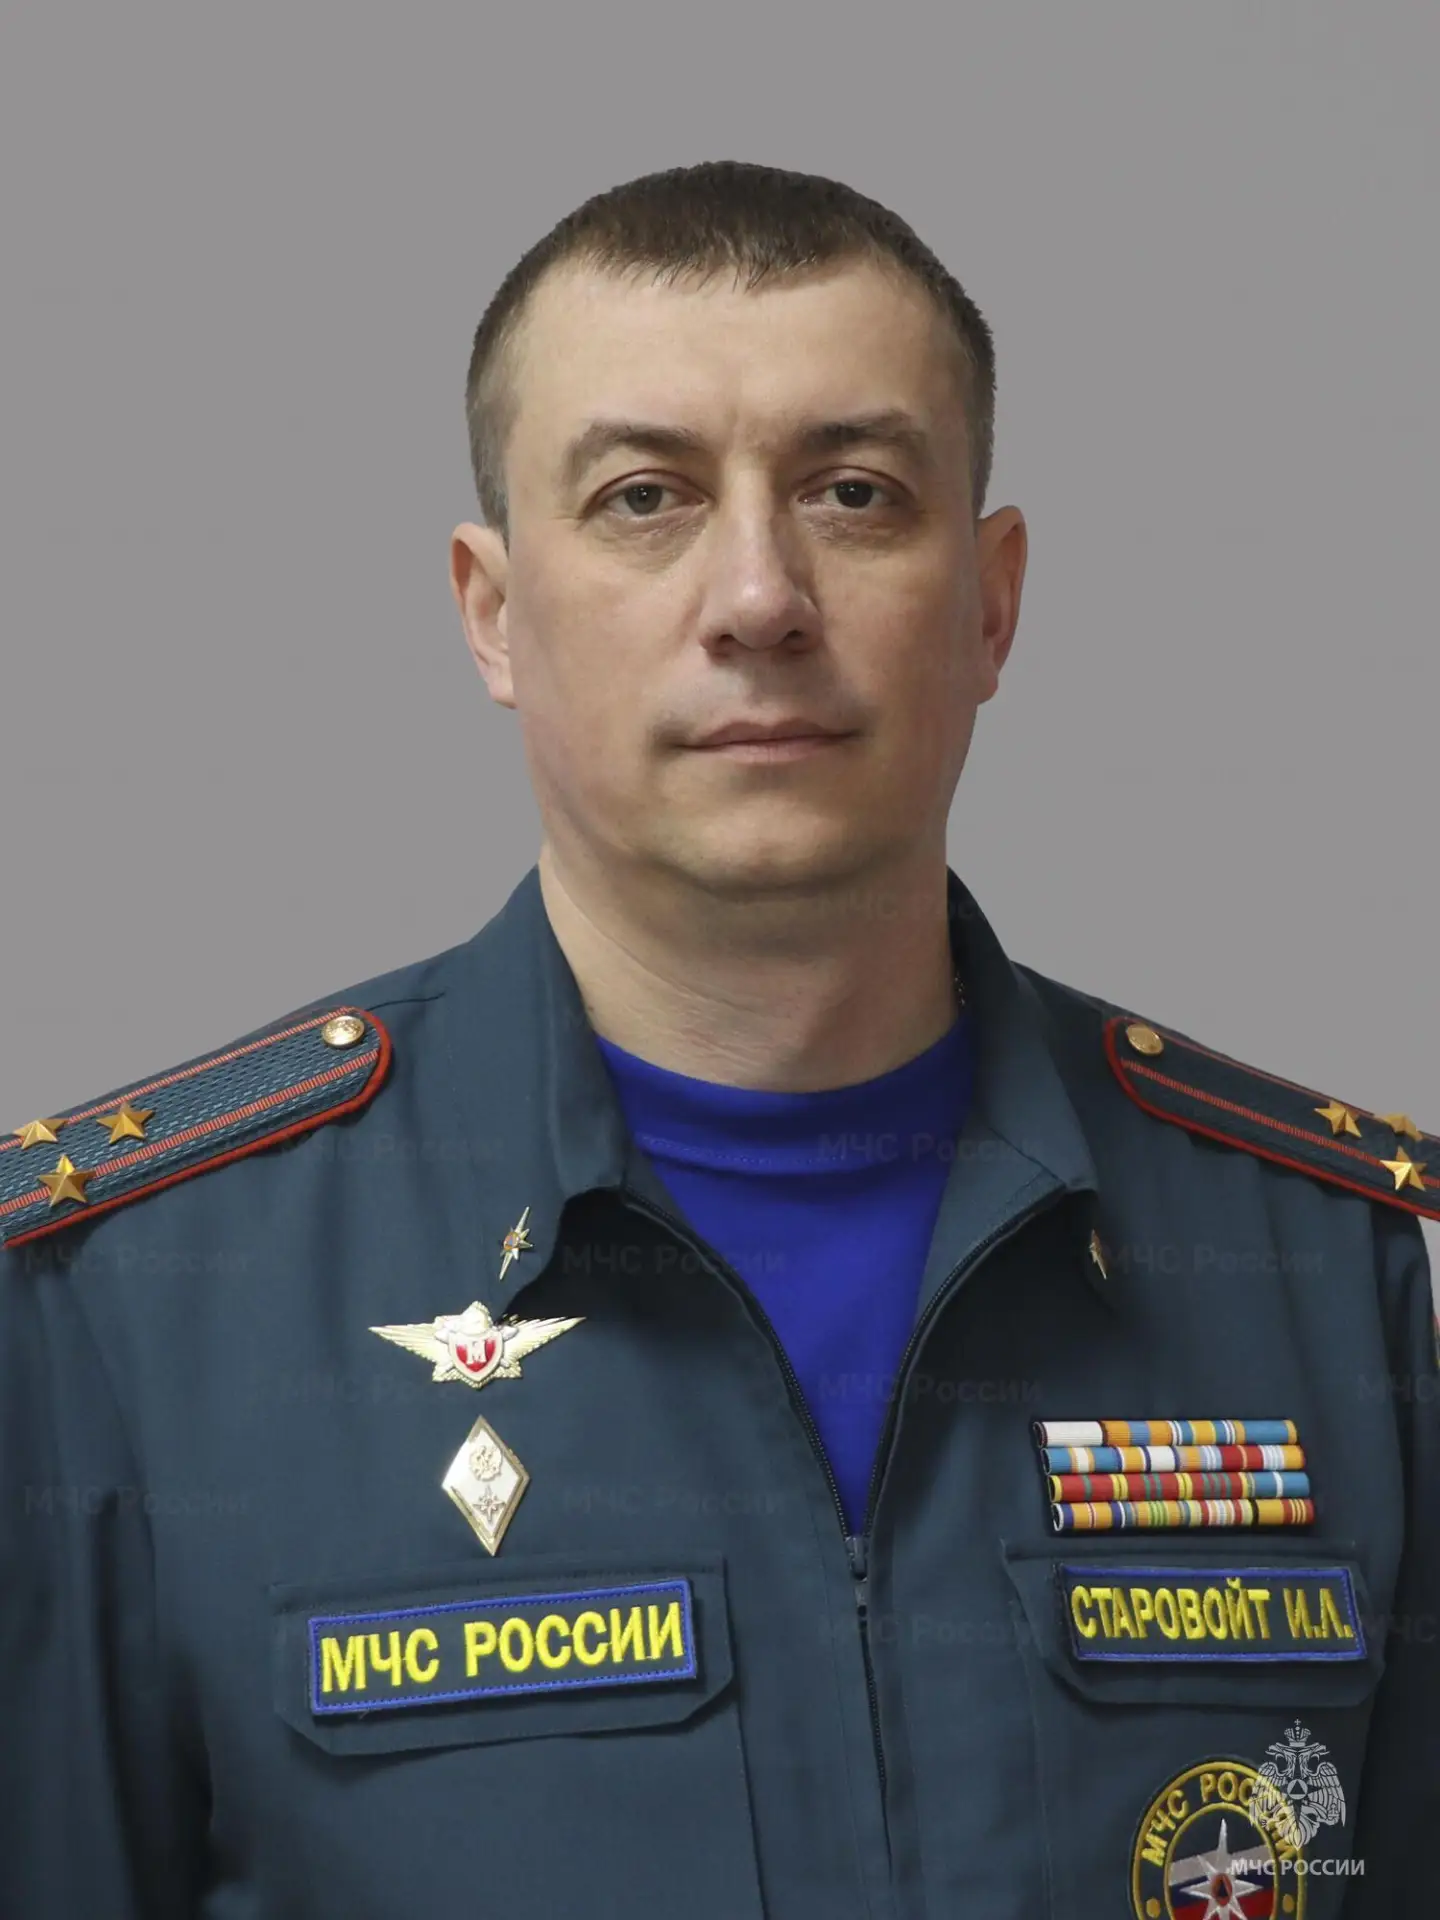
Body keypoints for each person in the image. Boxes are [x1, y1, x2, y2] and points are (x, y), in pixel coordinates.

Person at [0, 158, 1432, 1919]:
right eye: (643, 498)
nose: (759, 596)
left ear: (991, 603)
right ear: (493, 613)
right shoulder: (137, 1307)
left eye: (854, 492)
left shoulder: (1323, 1268)